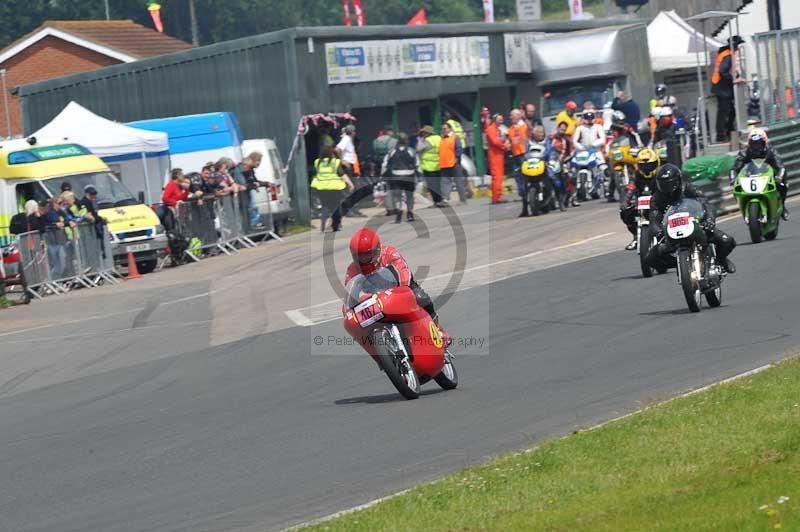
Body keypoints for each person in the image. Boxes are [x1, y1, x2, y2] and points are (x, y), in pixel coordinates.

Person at [646, 164, 737, 274]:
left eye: (670, 183)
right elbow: (653, 219)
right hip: (672, 231)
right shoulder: (656, 198)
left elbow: (706, 204)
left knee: (727, 241)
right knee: (650, 258)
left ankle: (721, 259)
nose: (668, 187)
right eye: (663, 184)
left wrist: (709, 220)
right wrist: (659, 232)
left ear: (678, 180)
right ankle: (681, 263)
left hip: (697, 224)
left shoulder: (690, 188)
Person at [345, 227, 439, 323]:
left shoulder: (390, 253)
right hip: (373, 302)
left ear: (377, 249)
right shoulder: (352, 269)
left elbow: (403, 272)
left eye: (367, 254)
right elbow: (350, 295)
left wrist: (403, 290)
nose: (363, 258)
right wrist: (350, 311)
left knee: (420, 297)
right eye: (359, 255)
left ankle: (437, 326)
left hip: (398, 291)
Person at [731, 128, 789, 220]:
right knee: (734, 188)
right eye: (754, 144)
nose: (756, 147)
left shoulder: (771, 151)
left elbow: (780, 166)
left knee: (783, 185)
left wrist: (779, 177)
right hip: (751, 177)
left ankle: (782, 205)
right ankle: (744, 206)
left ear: (764, 142)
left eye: (759, 144)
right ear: (749, 144)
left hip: (769, 176)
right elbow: (735, 168)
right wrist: (733, 179)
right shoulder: (744, 152)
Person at [620, 148, 660, 250]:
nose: (646, 168)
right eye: (643, 166)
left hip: (659, 203)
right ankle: (636, 237)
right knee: (625, 212)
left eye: (649, 165)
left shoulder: (660, 174)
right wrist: (625, 202)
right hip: (641, 203)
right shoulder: (636, 174)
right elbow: (630, 188)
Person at [311, 145, 354, 233]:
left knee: (325, 205)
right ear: (331, 153)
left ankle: (323, 224)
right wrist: (350, 184)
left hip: (321, 187)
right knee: (336, 206)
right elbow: (341, 174)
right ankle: (335, 225)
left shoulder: (317, 162)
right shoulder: (335, 162)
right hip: (334, 187)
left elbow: (317, 173)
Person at [711, 36, 745, 142]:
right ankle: (721, 135)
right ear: (735, 46)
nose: (739, 48)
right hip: (722, 87)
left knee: (730, 110)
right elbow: (723, 71)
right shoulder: (728, 55)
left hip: (723, 87)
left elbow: (731, 70)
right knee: (724, 111)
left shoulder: (727, 54)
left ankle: (729, 130)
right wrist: (735, 80)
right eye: (738, 45)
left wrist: (737, 76)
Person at [381, 133, 419, 223]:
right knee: (409, 195)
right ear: (407, 141)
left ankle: (399, 214)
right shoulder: (412, 151)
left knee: (397, 196)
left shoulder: (391, 151)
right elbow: (417, 164)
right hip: (410, 175)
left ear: (397, 141)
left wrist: (382, 175)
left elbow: (385, 165)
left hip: (396, 176)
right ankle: (410, 213)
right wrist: (420, 177)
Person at [519, 125, 551, 218]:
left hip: (543, 163)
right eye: (539, 133)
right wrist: (526, 158)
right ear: (534, 134)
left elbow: (549, 151)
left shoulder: (546, 141)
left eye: (542, 132)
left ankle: (558, 201)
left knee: (553, 178)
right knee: (523, 183)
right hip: (532, 164)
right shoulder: (529, 142)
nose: (541, 134)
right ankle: (524, 208)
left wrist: (545, 156)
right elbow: (525, 153)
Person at [337, 124, 367, 217]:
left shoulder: (349, 140)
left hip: (353, 167)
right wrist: (342, 160)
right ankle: (349, 210)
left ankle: (354, 208)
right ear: (352, 132)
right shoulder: (345, 139)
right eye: (354, 131)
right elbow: (337, 149)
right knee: (351, 188)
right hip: (348, 167)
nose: (355, 133)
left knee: (355, 188)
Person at [550, 121, 576, 207]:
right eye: (561, 129)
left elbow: (572, 152)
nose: (562, 131)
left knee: (570, 177)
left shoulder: (567, 140)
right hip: (552, 162)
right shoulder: (551, 138)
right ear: (558, 128)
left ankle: (572, 198)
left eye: (564, 129)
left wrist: (567, 159)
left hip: (564, 161)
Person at [485, 113, 509, 204]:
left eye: (502, 119)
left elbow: (497, 141)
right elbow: (495, 142)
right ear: (495, 120)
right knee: (497, 177)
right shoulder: (491, 129)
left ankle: (498, 196)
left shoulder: (497, 129)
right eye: (500, 119)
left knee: (499, 177)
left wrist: (503, 140)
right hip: (495, 156)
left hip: (499, 155)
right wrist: (504, 146)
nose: (501, 121)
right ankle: (496, 198)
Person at [508, 109, 529, 210]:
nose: (510, 117)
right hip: (515, 154)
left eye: (512, 115)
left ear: (518, 116)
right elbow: (511, 141)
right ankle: (523, 195)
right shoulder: (511, 128)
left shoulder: (523, 126)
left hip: (523, 154)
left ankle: (529, 193)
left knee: (526, 176)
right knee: (518, 177)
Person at [417, 125, 443, 205]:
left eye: (423, 132)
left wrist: (420, 141)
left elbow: (418, 149)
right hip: (438, 164)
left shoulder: (427, 140)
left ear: (426, 133)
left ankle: (437, 201)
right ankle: (441, 199)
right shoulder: (439, 138)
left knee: (432, 185)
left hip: (428, 166)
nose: (423, 134)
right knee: (438, 184)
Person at [438, 122, 461, 207]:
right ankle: (445, 200)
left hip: (453, 163)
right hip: (444, 164)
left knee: (459, 182)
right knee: (445, 183)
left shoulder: (455, 137)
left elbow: (458, 149)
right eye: (442, 129)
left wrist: (457, 159)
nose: (443, 130)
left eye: (445, 129)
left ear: (449, 129)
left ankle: (463, 199)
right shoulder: (442, 138)